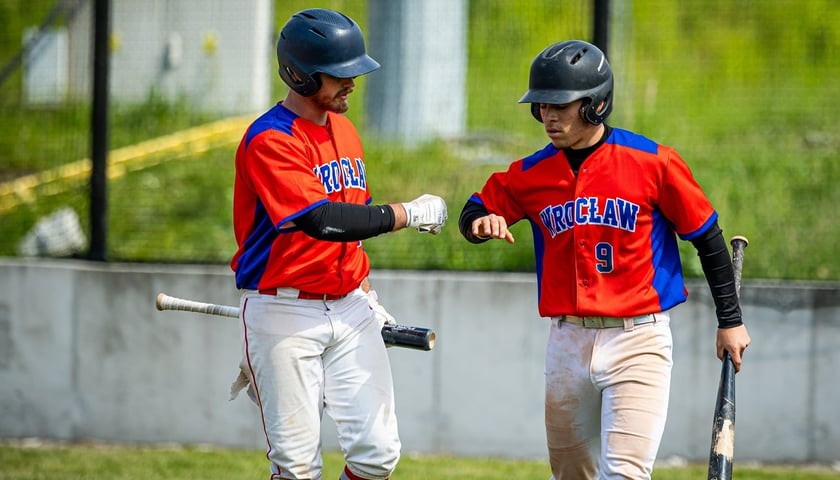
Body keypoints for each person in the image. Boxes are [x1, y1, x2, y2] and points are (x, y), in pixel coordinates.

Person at [458, 40, 751, 479]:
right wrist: (480, 223)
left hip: (639, 339)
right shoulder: (530, 173)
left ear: (595, 105)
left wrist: (730, 320)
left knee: (625, 473)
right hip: (567, 342)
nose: (548, 116)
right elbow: (475, 208)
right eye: (542, 106)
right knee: (570, 474)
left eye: (561, 105)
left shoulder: (653, 162)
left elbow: (707, 237)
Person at [229, 9, 447, 480]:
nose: (352, 82)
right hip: (284, 310)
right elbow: (323, 220)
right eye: (338, 73)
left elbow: (352, 222)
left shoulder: (343, 129)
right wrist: (406, 213)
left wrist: (367, 293)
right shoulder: (270, 138)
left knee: (377, 454)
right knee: (297, 468)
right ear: (300, 75)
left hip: (349, 307)